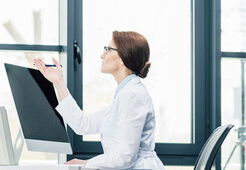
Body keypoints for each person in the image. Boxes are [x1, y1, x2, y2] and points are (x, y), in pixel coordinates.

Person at [33, 31, 165, 169]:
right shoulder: (124, 96)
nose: (102, 55)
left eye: (108, 49)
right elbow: (82, 124)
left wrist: (87, 163)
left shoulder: (132, 95)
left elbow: (125, 156)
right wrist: (59, 82)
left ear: (122, 58)